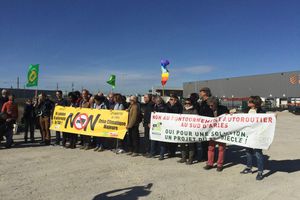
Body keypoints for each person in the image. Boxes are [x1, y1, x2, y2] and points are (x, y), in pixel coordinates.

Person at [240, 96, 265, 181]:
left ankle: (260, 171)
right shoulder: (246, 110)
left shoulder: (261, 112)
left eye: (250, 101)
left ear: (255, 103)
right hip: (248, 135)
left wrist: (273, 116)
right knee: (248, 151)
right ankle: (248, 167)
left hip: (257, 135)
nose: (248, 102)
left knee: (258, 153)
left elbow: (266, 122)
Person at [203, 96, 229, 171]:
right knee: (210, 148)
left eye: (212, 105)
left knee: (221, 148)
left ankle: (219, 164)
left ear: (216, 103)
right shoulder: (207, 109)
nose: (210, 107)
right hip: (212, 132)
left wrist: (229, 114)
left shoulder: (223, 108)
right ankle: (210, 163)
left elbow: (229, 118)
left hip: (221, 132)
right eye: (209, 105)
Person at [147, 96, 169, 160]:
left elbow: (166, 116)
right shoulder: (154, 106)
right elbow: (150, 116)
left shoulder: (165, 107)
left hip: (162, 126)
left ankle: (161, 154)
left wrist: (158, 113)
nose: (157, 102)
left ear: (161, 101)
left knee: (162, 141)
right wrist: (149, 122)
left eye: (158, 101)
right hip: (155, 126)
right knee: (153, 140)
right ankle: (152, 152)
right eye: (156, 101)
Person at [178, 98, 198, 165]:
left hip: (191, 131)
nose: (187, 104)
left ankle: (190, 159)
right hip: (183, 130)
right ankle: (183, 157)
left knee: (191, 145)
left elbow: (196, 119)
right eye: (185, 103)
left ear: (191, 104)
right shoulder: (182, 110)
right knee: (182, 144)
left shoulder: (194, 110)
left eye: (188, 103)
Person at [197, 87, 213, 162]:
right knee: (203, 141)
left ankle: (208, 157)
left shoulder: (210, 101)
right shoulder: (203, 101)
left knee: (208, 142)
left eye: (201, 92)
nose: (200, 93)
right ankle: (204, 156)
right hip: (203, 124)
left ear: (206, 93)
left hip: (209, 124)